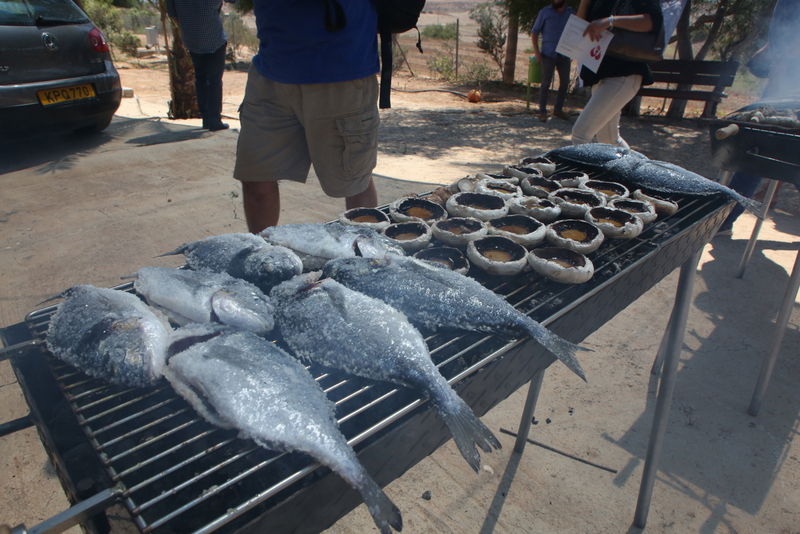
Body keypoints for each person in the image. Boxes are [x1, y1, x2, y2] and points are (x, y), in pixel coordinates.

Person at [233, 1, 380, 232]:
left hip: (341, 70)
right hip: (271, 68)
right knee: (256, 178)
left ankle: (366, 262)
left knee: (353, 182)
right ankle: (263, 259)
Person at [717, 0, 800, 237]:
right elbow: (780, 44)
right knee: (753, 154)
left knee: (754, 155)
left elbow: (788, 47)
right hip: (782, 89)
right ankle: (722, 216)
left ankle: (723, 217)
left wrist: (780, 72)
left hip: (787, 91)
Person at [571, 0, 663, 147]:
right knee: (610, 140)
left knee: (580, 134)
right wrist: (584, 3)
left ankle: (579, 171)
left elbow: (652, 21)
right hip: (600, 75)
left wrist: (610, 21)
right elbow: (580, 29)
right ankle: (638, 169)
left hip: (625, 73)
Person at [166, 0, 229, 131]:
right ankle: (214, 119)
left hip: (192, 38)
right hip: (213, 36)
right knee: (214, 80)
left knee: (200, 78)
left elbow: (172, 13)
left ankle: (207, 118)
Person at [531, 0, 575, 122]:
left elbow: (577, 32)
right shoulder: (545, 12)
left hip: (564, 55)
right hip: (548, 54)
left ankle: (558, 110)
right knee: (545, 83)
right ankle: (542, 112)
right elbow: (534, 33)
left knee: (565, 83)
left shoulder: (571, 14)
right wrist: (537, 53)